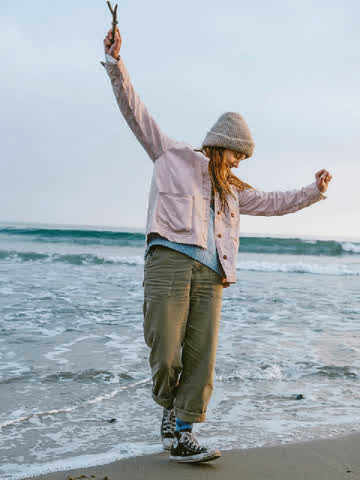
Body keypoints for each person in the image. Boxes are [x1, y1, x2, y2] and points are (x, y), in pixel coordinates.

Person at [101, 26, 332, 464]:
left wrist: (314, 190)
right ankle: (169, 408)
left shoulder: (233, 190)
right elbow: (136, 111)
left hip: (212, 276)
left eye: (243, 158)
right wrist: (116, 64)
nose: (239, 162)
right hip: (169, 260)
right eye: (236, 154)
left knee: (202, 359)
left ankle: (183, 432)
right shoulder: (173, 156)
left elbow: (275, 202)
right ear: (220, 144)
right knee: (165, 351)